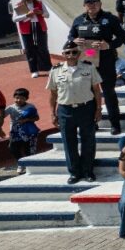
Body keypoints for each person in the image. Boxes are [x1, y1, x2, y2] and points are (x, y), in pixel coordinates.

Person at [68, 0, 125, 134]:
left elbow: (121, 37)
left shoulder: (110, 19)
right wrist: (74, 40)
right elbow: (71, 36)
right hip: (87, 60)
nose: (92, 5)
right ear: (84, 5)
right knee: (89, 94)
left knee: (109, 92)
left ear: (100, 4)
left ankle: (115, 124)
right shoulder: (78, 20)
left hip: (105, 61)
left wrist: (108, 45)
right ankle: (93, 123)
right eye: (89, 3)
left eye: (95, 2)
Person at [48, 40, 103, 184]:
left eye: (74, 52)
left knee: (88, 141)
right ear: (63, 54)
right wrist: (52, 113)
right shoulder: (55, 70)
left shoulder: (89, 67)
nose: (71, 55)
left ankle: (88, 171)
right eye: (68, 52)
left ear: (79, 53)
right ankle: (74, 172)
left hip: (86, 108)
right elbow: (53, 94)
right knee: (68, 142)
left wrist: (98, 109)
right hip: (65, 110)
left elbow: (97, 90)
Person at [13, 0, 52, 78]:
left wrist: (41, 12)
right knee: (29, 49)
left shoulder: (39, 3)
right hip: (26, 29)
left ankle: (48, 68)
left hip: (39, 26)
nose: (31, 0)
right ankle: (34, 70)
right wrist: (26, 15)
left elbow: (47, 15)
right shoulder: (19, 5)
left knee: (43, 48)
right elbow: (14, 19)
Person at [5, 88, 39, 173]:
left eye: (22, 98)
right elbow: (1, 117)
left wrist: (27, 120)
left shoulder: (31, 107)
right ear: (14, 98)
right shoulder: (11, 108)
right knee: (13, 148)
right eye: (17, 98)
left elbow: (37, 118)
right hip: (15, 132)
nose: (19, 100)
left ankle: (30, 165)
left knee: (28, 149)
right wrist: (0, 128)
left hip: (27, 132)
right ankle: (21, 163)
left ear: (26, 98)